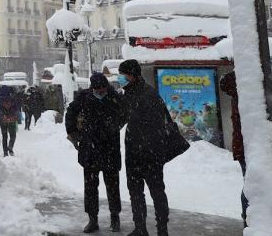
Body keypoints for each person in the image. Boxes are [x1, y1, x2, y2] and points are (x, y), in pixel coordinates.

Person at [118, 59, 187, 236]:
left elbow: (156, 127)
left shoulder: (148, 95)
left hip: (150, 153)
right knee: (135, 192)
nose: (120, 78)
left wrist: (147, 149)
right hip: (133, 152)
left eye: (123, 74)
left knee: (157, 192)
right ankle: (140, 228)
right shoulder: (129, 93)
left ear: (132, 75)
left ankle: (162, 230)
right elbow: (121, 119)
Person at [219, 70, 272, 226]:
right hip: (250, 146)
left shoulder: (265, 86)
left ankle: (263, 220)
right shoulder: (244, 88)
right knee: (252, 185)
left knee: (265, 184)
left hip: (269, 145)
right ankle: (250, 220)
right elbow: (226, 83)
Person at [66, 73, 123, 233]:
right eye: (97, 90)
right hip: (90, 150)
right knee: (90, 187)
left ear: (106, 86)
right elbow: (70, 113)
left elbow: (124, 113)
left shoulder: (114, 97)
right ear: (92, 88)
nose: (100, 92)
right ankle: (92, 219)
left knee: (113, 186)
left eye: (103, 89)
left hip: (110, 149)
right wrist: (73, 133)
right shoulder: (84, 97)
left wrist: (115, 126)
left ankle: (115, 217)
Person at [0, 85, 20, 156]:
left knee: (4, 136)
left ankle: (5, 152)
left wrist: (1, 115)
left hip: (2, 120)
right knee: (13, 135)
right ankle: (10, 147)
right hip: (11, 119)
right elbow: (16, 108)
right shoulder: (12, 98)